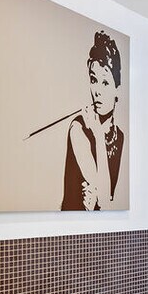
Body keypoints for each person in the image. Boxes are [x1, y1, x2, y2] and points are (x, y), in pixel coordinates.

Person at [61, 31, 125, 211]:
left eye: (105, 83)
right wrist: (97, 132)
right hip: (71, 226)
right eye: (93, 80)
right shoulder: (78, 128)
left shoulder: (119, 136)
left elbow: (110, 201)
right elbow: (104, 199)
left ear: (117, 89)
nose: (97, 91)